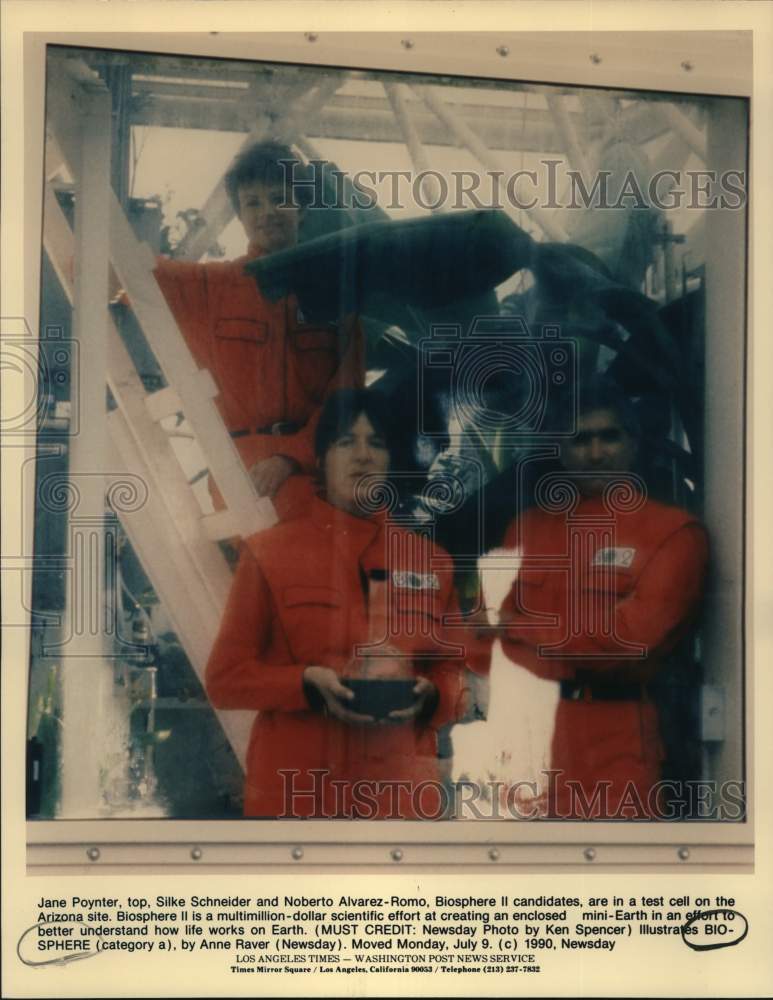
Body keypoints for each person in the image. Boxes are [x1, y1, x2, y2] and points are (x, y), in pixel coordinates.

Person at [205, 388, 479, 818]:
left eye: (378, 443)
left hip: (398, 803)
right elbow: (224, 680)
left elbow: (456, 676)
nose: (363, 456)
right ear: (320, 458)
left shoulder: (433, 563)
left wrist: (432, 696)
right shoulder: (268, 553)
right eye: (345, 442)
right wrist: (306, 685)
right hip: (295, 799)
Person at [498, 379, 708, 819]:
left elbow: (631, 643)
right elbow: (499, 641)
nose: (596, 452)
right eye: (580, 439)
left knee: (616, 873)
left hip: (620, 734)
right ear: (561, 449)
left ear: (633, 444)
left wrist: (524, 631)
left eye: (609, 436)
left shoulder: (673, 533)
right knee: (524, 876)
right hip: (530, 734)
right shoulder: (527, 529)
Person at [152, 142, 364, 518]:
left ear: (301, 209)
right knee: (302, 522)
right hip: (240, 468)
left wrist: (291, 456)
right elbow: (122, 273)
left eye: (280, 198)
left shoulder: (339, 297)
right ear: (240, 215)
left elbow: (345, 398)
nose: (268, 213)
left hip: (316, 459)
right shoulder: (209, 287)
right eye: (253, 203)